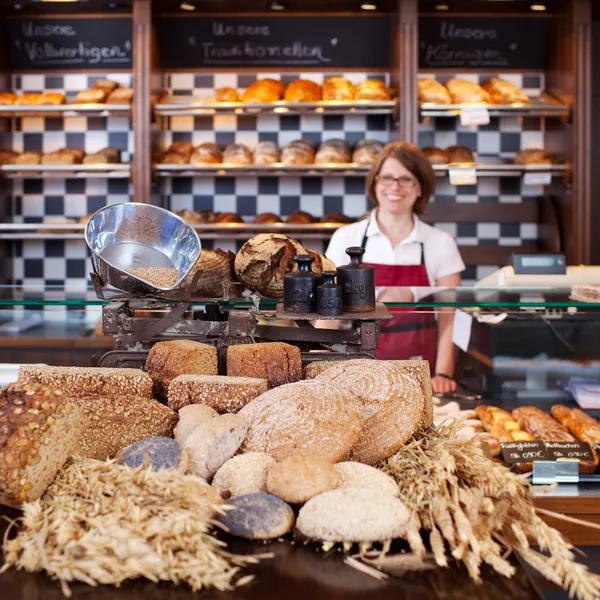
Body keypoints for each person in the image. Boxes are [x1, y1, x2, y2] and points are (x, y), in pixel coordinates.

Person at [325, 141, 465, 394]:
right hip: (355, 373)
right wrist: (319, 369)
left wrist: (443, 373)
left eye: (406, 179)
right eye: (387, 177)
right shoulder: (346, 238)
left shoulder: (441, 243)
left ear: (421, 187)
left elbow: (449, 317)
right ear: (375, 183)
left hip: (420, 374)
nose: (395, 187)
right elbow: (328, 314)